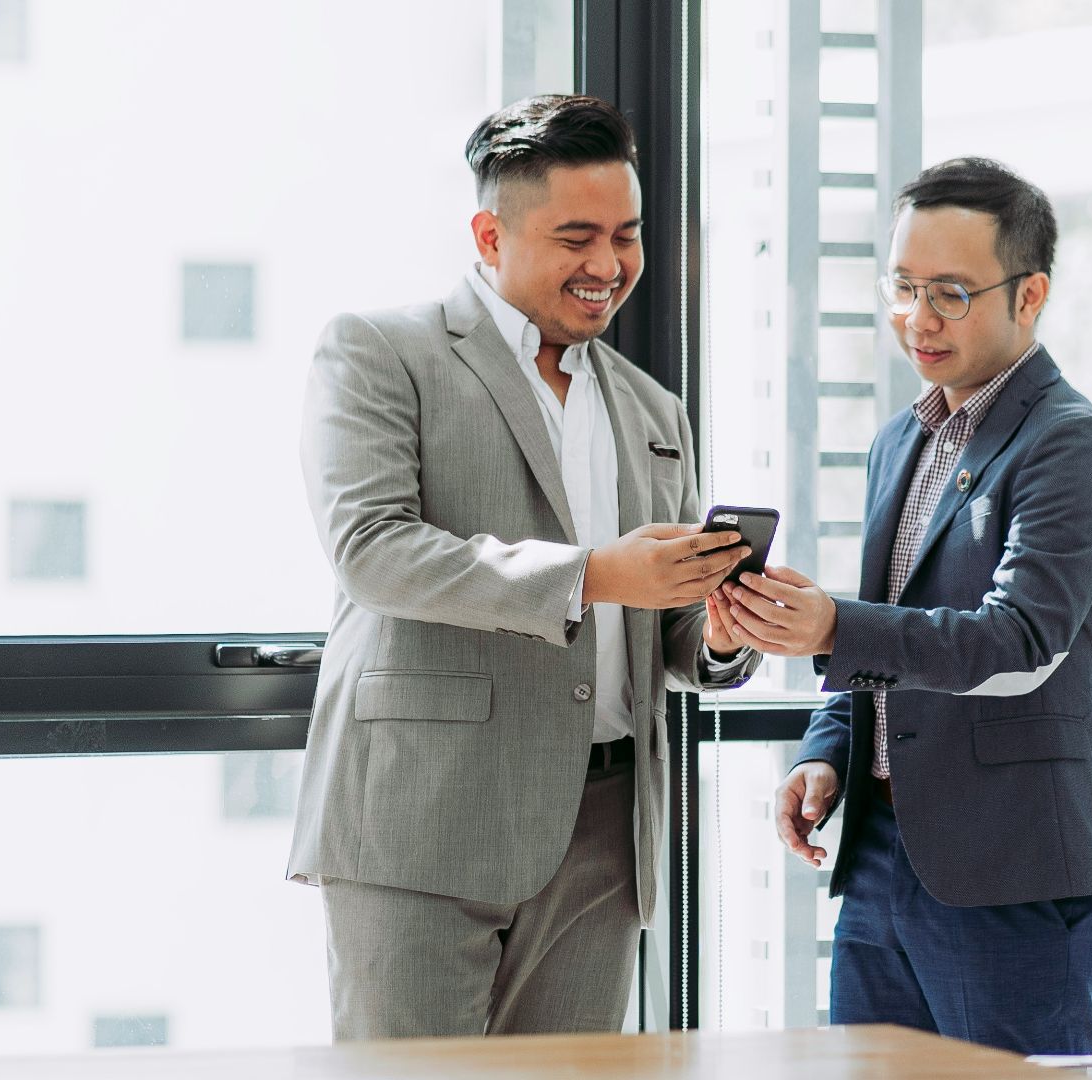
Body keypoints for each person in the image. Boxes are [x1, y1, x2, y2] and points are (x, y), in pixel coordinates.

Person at [286, 94, 759, 1040]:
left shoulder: (655, 410)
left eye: (625, 236)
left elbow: (655, 627)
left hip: (607, 832)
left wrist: (714, 632)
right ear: (489, 233)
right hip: (425, 815)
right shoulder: (382, 352)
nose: (609, 265)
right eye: (576, 236)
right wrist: (590, 574)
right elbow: (373, 551)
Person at [715, 157, 1092, 1055]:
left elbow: (1019, 642)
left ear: (1030, 296)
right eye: (902, 287)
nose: (917, 318)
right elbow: (888, 633)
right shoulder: (902, 439)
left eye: (949, 292)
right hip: (879, 858)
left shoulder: (1070, 444)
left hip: (1009, 869)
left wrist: (831, 625)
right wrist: (828, 753)